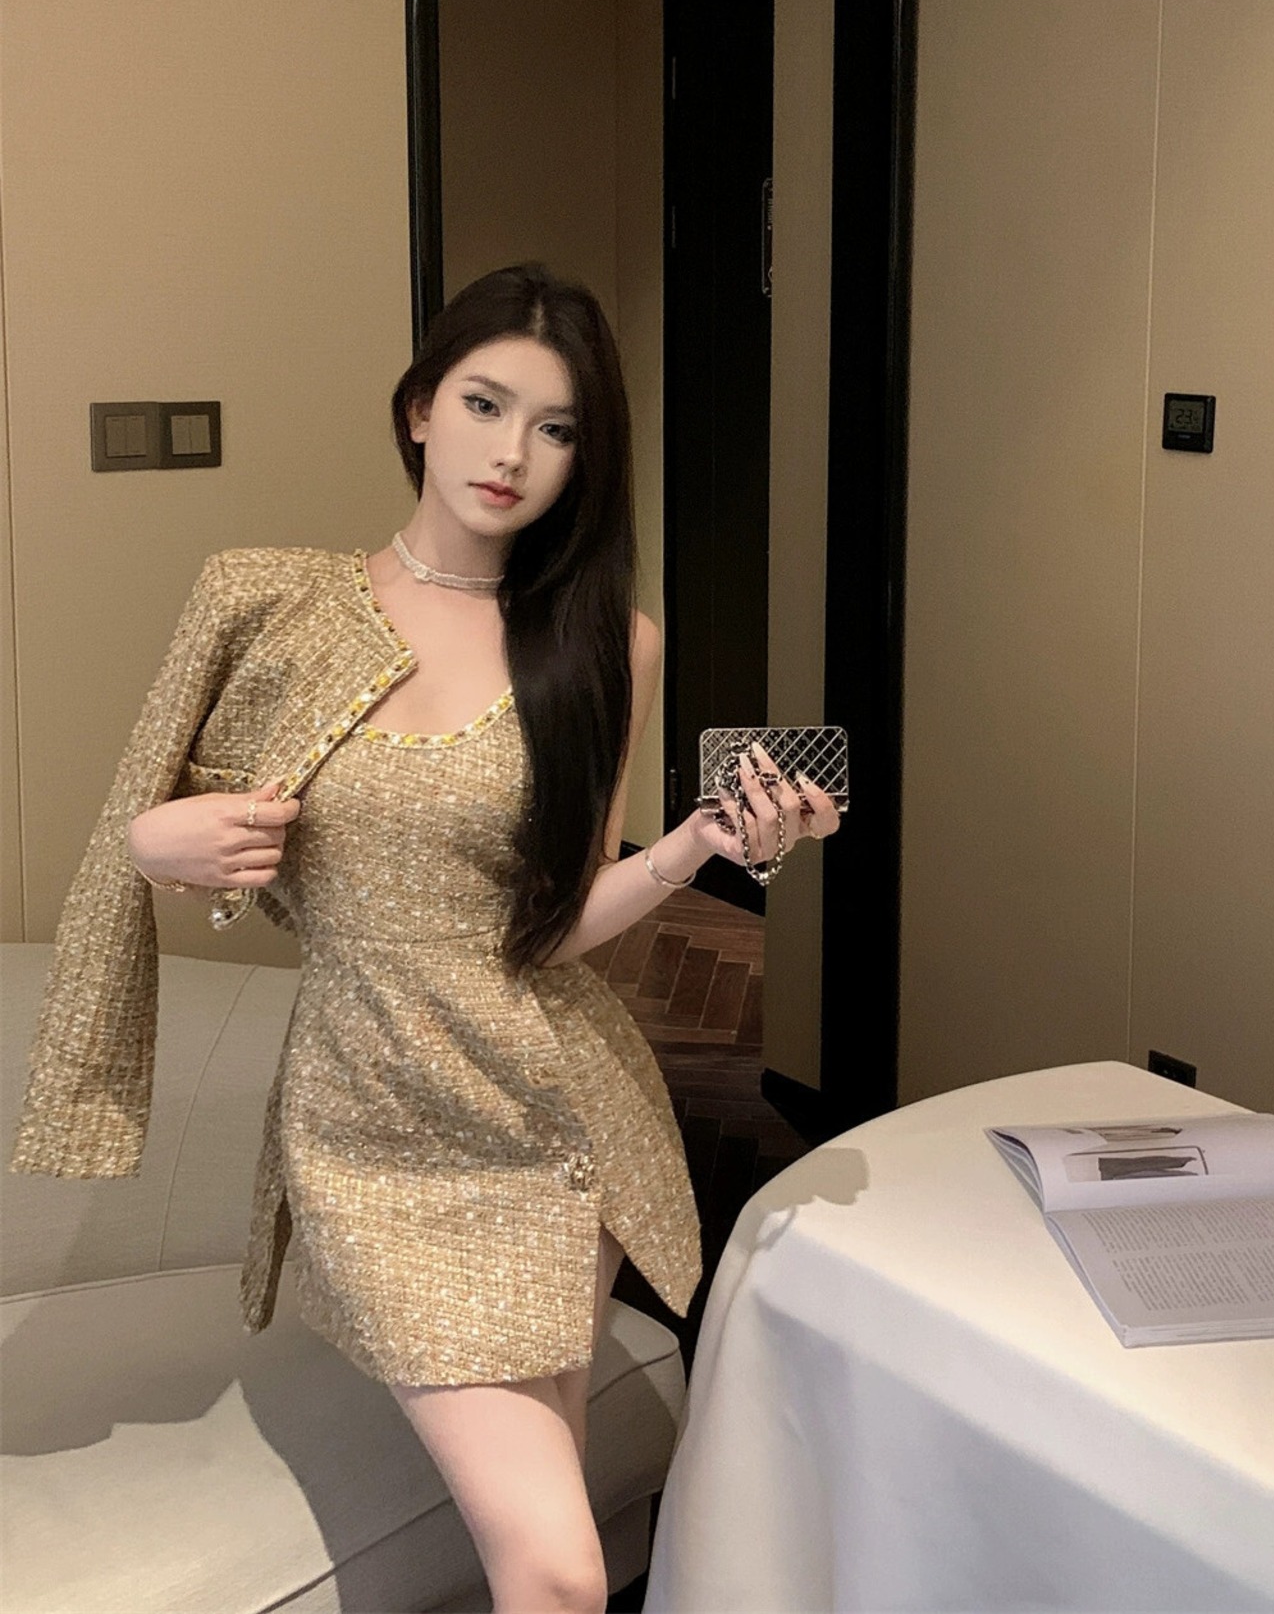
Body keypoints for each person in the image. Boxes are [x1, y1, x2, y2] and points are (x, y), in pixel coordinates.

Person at [9, 262, 841, 1614]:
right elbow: (138, 825)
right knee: (560, 1565)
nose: (512, 453)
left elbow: (553, 930)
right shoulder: (270, 602)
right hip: (374, 1121)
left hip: (558, 1114)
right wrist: (157, 843)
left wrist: (696, 846)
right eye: (484, 404)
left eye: (556, 428)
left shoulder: (605, 644)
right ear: (418, 409)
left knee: (543, 1550)